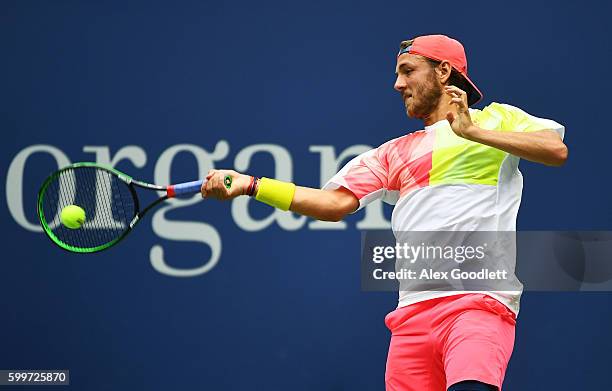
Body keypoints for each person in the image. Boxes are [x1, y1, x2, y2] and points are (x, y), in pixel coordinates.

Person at [201, 34, 567, 391]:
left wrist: (472, 132)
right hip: (410, 318)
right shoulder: (393, 153)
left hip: (477, 306)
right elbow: (333, 205)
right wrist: (252, 184)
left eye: (407, 71)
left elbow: (555, 150)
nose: (397, 84)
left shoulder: (497, 120)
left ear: (443, 71)